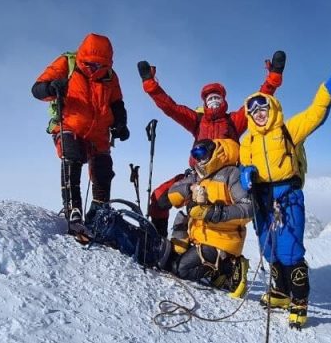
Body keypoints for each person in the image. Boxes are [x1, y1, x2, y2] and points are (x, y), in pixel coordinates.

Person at [240, 52, 331, 328]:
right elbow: (244, 165)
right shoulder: (247, 141)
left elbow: (316, 113)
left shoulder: (289, 129)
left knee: (290, 250)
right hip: (263, 200)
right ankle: (280, 292)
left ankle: (299, 299)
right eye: (253, 111)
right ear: (248, 114)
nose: (259, 114)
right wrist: (246, 175)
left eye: (263, 108)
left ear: (272, 108)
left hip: (288, 196)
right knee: (269, 250)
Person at [137, 51, 285, 237]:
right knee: (159, 198)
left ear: (224, 101)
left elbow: (257, 100)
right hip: (197, 176)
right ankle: (158, 243)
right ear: (205, 103)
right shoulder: (197, 121)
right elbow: (171, 108)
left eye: (217, 98)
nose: (214, 101)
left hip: (226, 179)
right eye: (210, 99)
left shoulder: (234, 121)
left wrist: (273, 78)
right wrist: (151, 85)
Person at [31, 33, 129, 231]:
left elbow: (117, 103)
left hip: (100, 131)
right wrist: (51, 87)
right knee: (72, 157)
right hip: (69, 125)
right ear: (83, 57)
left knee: (103, 171)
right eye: (91, 64)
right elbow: (37, 89)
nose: (95, 69)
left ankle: (99, 214)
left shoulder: (110, 76)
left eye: (100, 65)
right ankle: (73, 209)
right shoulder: (67, 63)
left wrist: (121, 124)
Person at [157, 138, 252, 297]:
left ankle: (230, 266)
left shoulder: (231, 174)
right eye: (195, 154)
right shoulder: (198, 175)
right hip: (198, 236)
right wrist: (189, 188)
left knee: (180, 269)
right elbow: (174, 192)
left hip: (221, 239)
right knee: (169, 259)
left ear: (213, 151)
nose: (199, 158)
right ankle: (218, 273)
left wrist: (213, 212)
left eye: (202, 153)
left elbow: (248, 209)